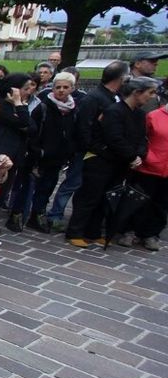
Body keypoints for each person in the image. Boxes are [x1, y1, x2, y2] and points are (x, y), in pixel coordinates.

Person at [64, 77, 158, 249]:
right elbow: (114, 138)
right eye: (150, 92)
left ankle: (93, 232)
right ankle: (75, 231)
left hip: (120, 164)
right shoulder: (114, 111)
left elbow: (142, 138)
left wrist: (139, 155)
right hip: (101, 161)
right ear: (137, 92)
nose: (152, 97)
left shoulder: (139, 114)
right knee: (89, 197)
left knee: (106, 199)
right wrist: (131, 156)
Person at [48, 61, 128, 231]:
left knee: (86, 188)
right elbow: (84, 127)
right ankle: (55, 215)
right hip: (86, 151)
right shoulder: (94, 98)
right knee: (71, 183)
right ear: (121, 78)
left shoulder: (114, 96)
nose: (62, 90)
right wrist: (91, 148)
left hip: (99, 153)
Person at [27, 72, 80, 233]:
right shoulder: (43, 107)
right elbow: (34, 132)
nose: (61, 91)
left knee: (48, 187)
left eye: (65, 87)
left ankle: (38, 213)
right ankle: (27, 213)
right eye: (58, 87)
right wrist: (38, 152)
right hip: (42, 155)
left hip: (58, 157)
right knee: (33, 186)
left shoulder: (73, 109)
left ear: (72, 88)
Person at [0, 74, 36, 232]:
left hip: (14, 155)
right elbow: (23, 122)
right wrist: (19, 104)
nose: (28, 92)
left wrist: (20, 106)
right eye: (25, 88)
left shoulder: (18, 105)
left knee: (2, 193)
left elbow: (32, 128)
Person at [127, 88, 168, 250]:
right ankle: (130, 230)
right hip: (149, 167)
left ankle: (151, 234)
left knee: (161, 205)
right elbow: (142, 139)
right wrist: (147, 157)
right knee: (139, 201)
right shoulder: (154, 116)